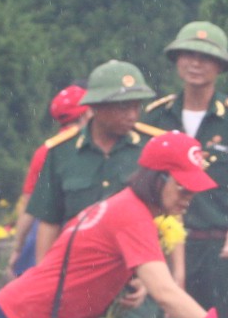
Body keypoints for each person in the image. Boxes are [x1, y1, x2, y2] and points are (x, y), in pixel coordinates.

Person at [0, 131, 213, 318]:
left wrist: (135, 281)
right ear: (157, 179)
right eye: (183, 188)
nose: (189, 198)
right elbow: (166, 293)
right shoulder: (133, 216)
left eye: (194, 190)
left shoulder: (127, 207)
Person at [144, 21, 228, 318]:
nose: (195, 63)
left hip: (221, 249)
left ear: (220, 66)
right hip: (163, 248)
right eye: (188, 54)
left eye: (205, 57)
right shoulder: (156, 117)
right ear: (176, 59)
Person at [27, 60, 165, 260]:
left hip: (139, 267)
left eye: (137, 107)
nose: (132, 115)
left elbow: (168, 220)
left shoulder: (152, 147)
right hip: (80, 268)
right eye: (123, 107)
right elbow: (49, 222)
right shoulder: (61, 152)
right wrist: (44, 277)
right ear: (96, 106)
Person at [9, 84, 91, 276]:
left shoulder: (45, 151)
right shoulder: (93, 149)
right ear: (86, 114)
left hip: (47, 236)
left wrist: (17, 248)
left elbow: (29, 207)